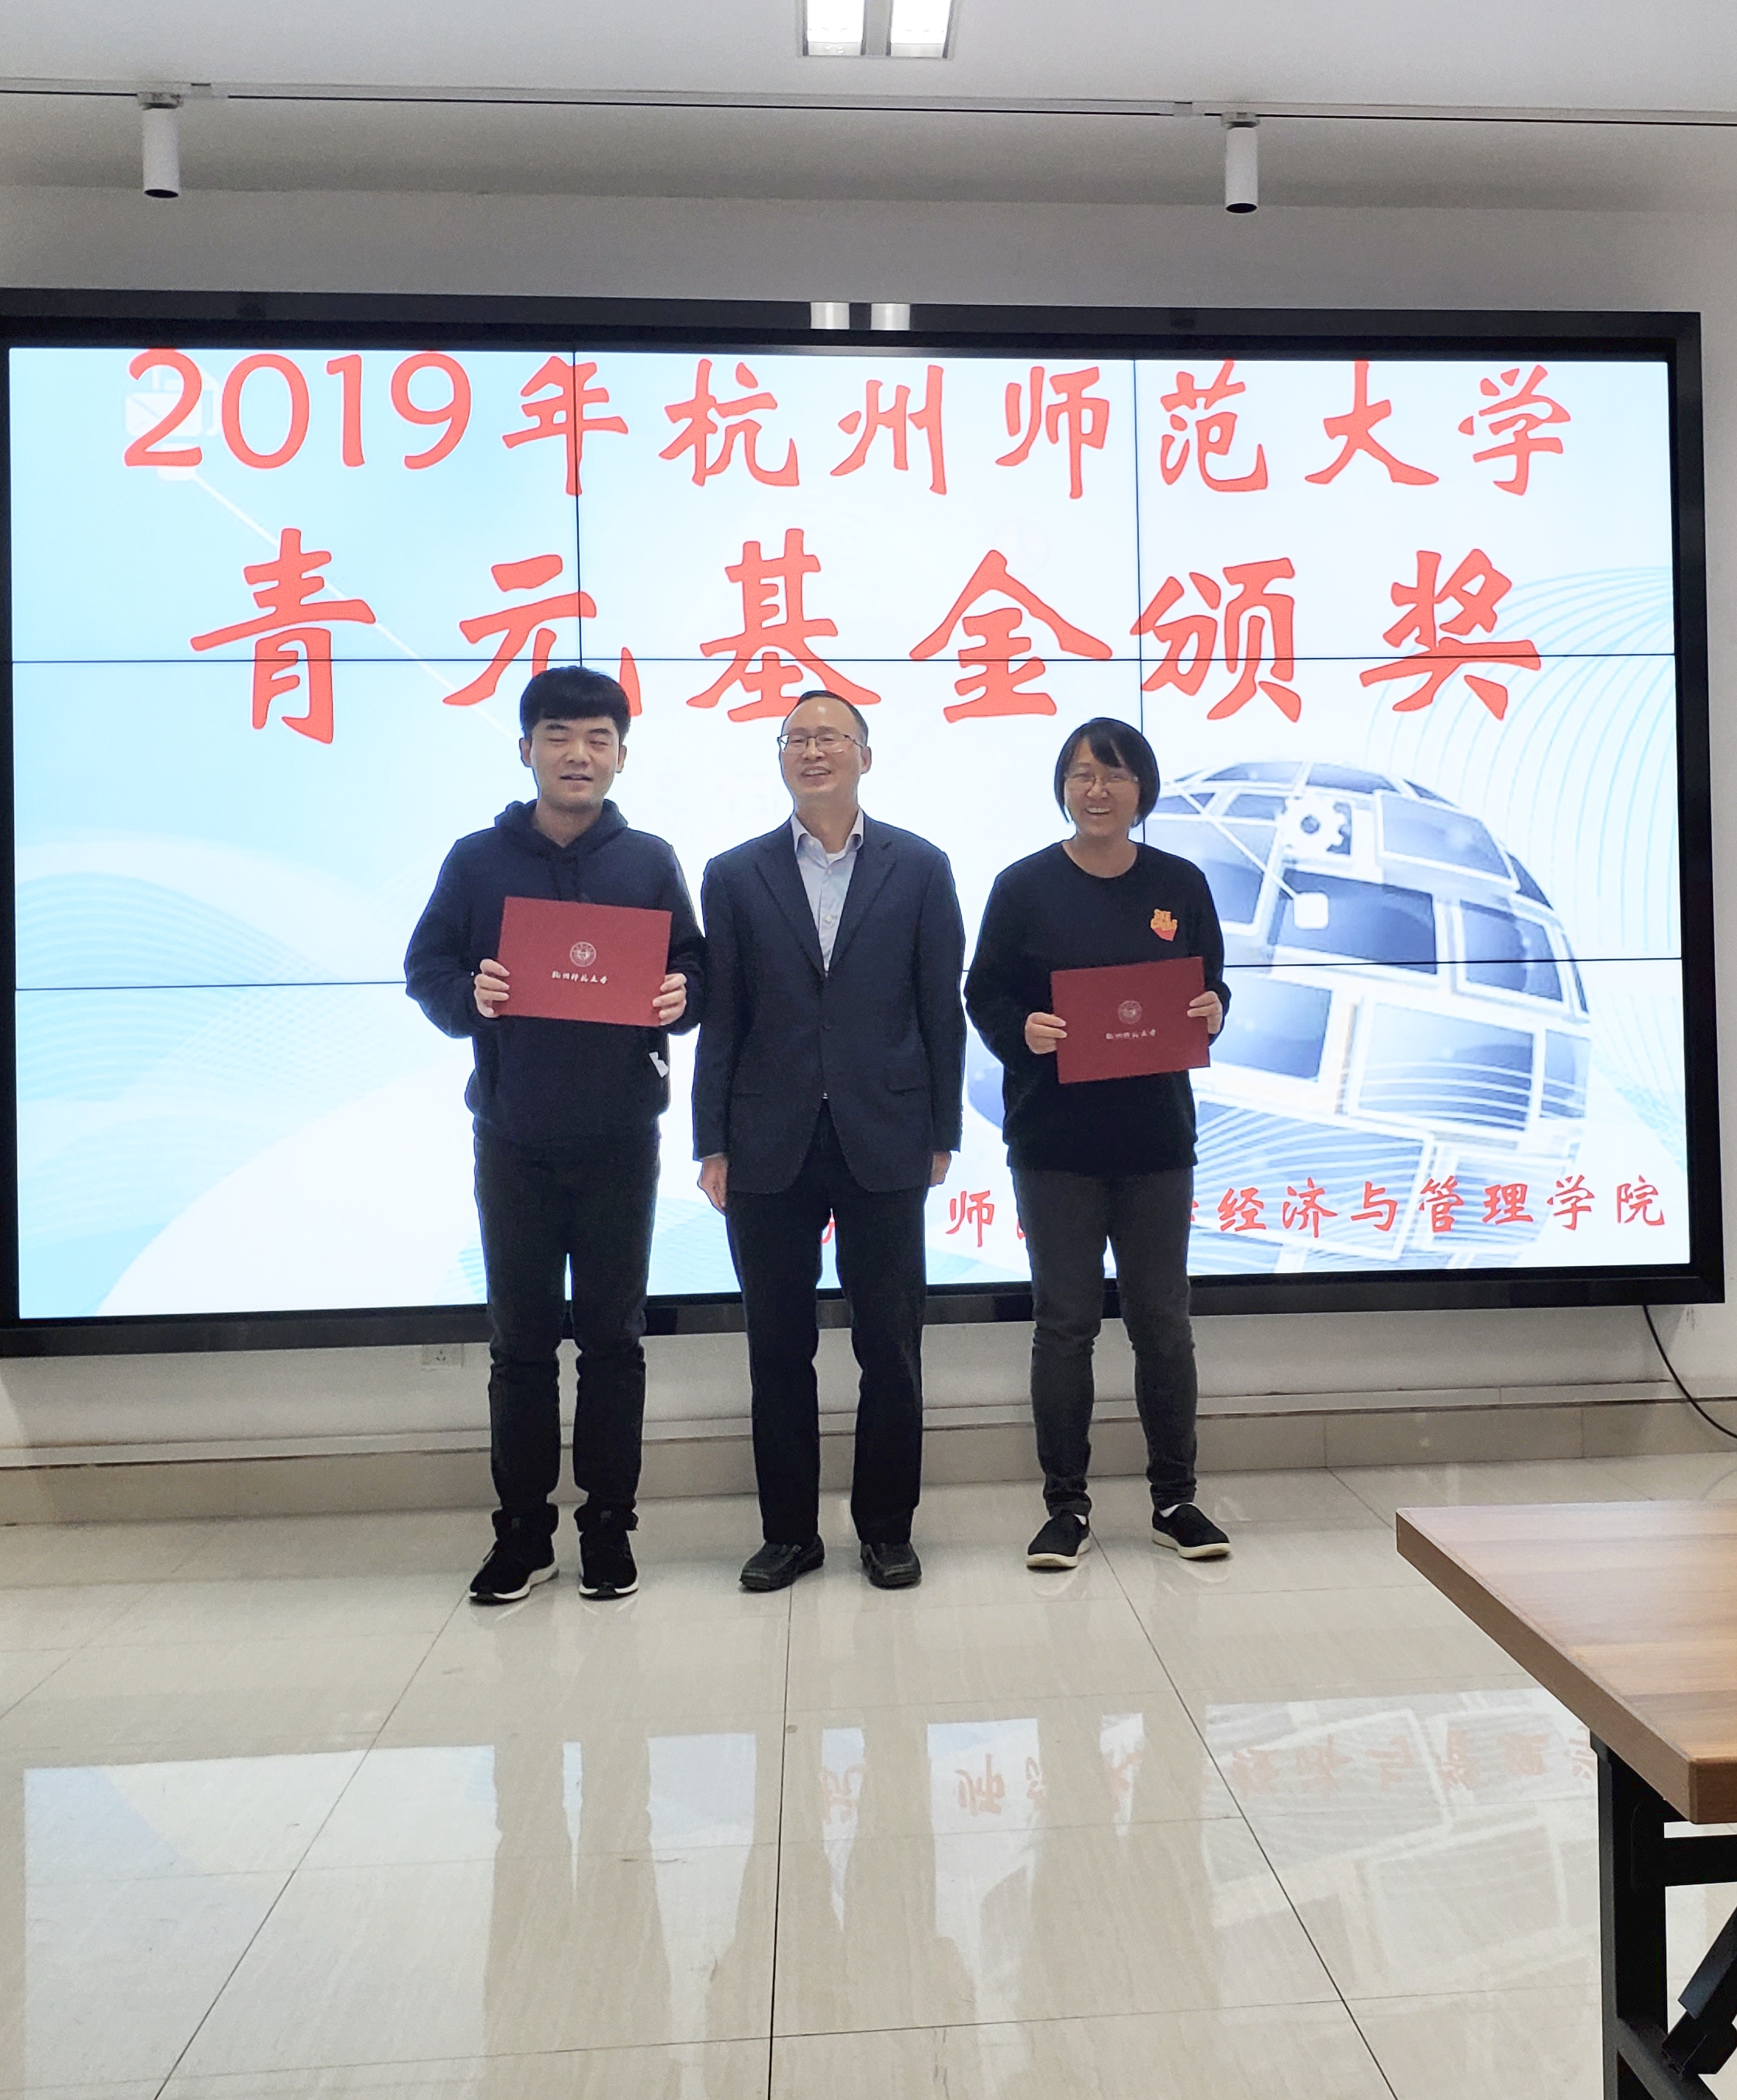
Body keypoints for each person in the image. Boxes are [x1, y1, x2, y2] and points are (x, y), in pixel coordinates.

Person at [403, 665, 703, 1605]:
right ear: (526, 748)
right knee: (522, 1345)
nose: (580, 754)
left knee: (614, 1341)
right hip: (515, 1138)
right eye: (560, 736)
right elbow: (426, 970)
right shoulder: (476, 861)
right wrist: (471, 996)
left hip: (621, 1139)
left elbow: (695, 968)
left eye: (599, 738)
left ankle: (609, 1527)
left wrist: (682, 993)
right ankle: (523, 1533)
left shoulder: (648, 860)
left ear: (622, 756)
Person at [694, 692, 966, 1594]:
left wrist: (942, 1129)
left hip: (884, 1132)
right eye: (797, 739)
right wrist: (711, 1140)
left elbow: (939, 1008)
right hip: (766, 1139)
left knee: (890, 1346)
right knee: (777, 1349)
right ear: (780, 757)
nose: (814, 751)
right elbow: (723, 1019)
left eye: (832, 737)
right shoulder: (734, 874)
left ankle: (886, 1530)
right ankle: (789, 1534)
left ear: (865, 756)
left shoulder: (919, 866)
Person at [964, 717, 1233, 1573]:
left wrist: (1215, 1009)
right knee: (1065, 1325)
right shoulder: (1024, 886)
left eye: (1114, 774)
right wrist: (1023, 1029)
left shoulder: (1180, 883)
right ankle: (1066, 1507)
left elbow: (1212, 985)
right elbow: (985, 993)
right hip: (1056, 1140)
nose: (1097, 789)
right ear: (1063, 787)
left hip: (1156, 1138)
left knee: (1163, 1322)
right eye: (1082, 774)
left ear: (1141, 788)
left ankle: (1175, 1499)